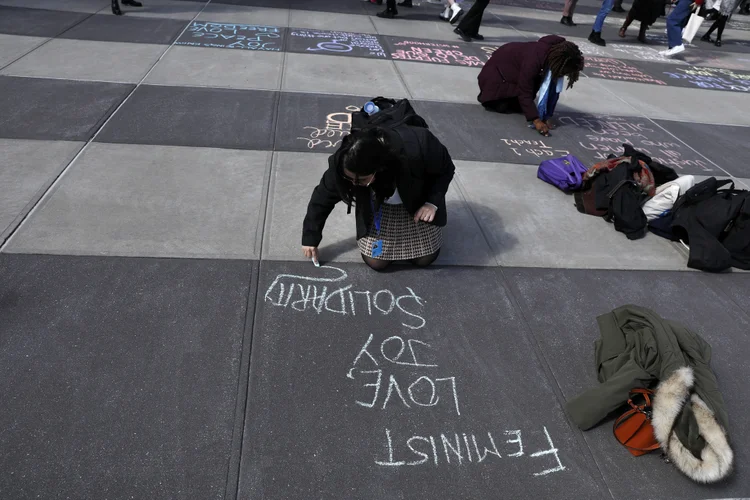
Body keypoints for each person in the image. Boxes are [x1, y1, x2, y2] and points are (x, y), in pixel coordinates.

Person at [301, 127, 456, 271]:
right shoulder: (343, 163)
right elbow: (322, 197)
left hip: (417, 200)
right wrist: (310, 237)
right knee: (376, 261)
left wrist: (432, 203)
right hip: (379, 205)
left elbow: (446, 169)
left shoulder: (418, 144)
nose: (354, 183)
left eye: (362, 180)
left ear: (378, 167)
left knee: (424, 259)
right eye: (350, 179)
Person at [477, 36, 584, 136]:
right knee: (503, 105)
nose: (563, 75)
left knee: (526, 102)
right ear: (559, 63)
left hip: (510, 70)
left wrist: (545, 115)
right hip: (495, 77)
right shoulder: (533, 61)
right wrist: (536, 120)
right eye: (564, 72)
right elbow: (525, 90)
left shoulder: (558, 50)